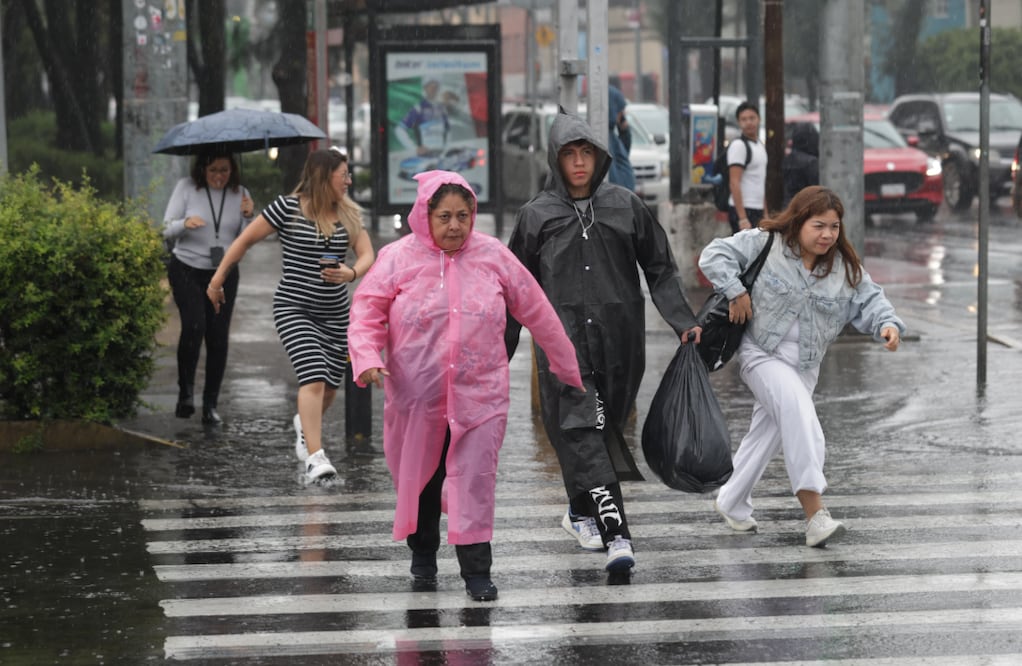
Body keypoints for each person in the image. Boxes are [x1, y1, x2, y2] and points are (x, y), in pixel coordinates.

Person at [347, 170, 583, 602]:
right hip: (417, 398)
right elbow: (366, 312)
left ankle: (477, 573)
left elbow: (537, 310)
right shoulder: (397, 258)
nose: (455, 225)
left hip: (480, 396)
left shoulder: (493, 256)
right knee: (422, 479)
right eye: (444, 217)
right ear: (425, 216)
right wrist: (366, 359)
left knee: (474, 481)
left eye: (463, 215)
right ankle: (423, 552)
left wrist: (567, 366)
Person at [505, 108, 702, 573]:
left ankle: (579, 511)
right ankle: (618, 537)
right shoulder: (535, 216)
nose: (579, 162)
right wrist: (497, 352)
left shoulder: (625, 206)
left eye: (586, 152)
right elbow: (512, 288)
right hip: (563, 346)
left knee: (600, 429)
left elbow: (660, 266)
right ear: (555, 159)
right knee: (583, 430)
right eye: (569, 154)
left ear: (600, 157)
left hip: (621, 343)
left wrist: (682, 320)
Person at [698, 186, 904, 547]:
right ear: (799, 221)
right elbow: (713, 255)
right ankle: (815, 513)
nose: (827, 235)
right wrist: (736, 291)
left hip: (806, 365)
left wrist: (887, 324)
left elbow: (870, 298)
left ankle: (731, 499)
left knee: (768, 433)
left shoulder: (843, 267)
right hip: (761, 353)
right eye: (818, 226)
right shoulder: (767, 243)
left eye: (834, 227)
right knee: (800, 415)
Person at [206, 148, 374, 481]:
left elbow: (368, 253)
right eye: (343, 175)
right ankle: (315, 458)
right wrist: (216, 280)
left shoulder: (348, 213)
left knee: (330, 387)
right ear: (324, 176)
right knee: (313, 375)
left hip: (335, 314)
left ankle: (304, 424)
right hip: (294, 309)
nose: (349, 181)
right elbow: (243, 242)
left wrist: (351, 273)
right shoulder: (287, 208)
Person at [162, 151, 255, 425]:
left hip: (224, 272)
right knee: (194, 326)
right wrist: (184, 224)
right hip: (187, 268)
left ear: (232, 170)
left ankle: (210, 404)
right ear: (202, 169)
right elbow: (165, 228)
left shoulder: (241, 194)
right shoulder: (186, 188)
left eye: (224, 170)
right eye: (213, 170)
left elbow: (247, 240)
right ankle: (185, 393)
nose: (219, 176)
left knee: (218, 337)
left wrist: (249, 217)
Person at [728, 101, 769, 234]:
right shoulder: (739, 146)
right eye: (744, 119)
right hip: (743, 209)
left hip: (757, 209)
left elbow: (760, 181)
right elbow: (734, 182)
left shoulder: (760, 145)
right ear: (739, 123)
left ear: (759, 119)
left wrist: (765, 213)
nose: (749, 122)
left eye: (752, 118)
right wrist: (742, 218)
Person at [394, 78, 449, 155]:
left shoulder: (442, 108)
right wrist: (414, 148)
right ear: (425, 88)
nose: (433, 90)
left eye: (436, 87)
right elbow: (399, 130)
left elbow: (448, 130)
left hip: (442, 155)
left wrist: (446, 147)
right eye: (431, 87)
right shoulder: (418, 108)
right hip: (426, 156)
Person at [782, 122, 820, 209]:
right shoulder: (811, 162)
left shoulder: (788, 159)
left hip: (788, 205)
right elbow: (815, 188)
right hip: (805, 206)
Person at [607, 85, 635, 191]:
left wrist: (624, 130)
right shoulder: (605, 138)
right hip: (618, 196)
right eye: (620, 109)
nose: (622, 113)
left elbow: (625, 153)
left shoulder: (612, 137)